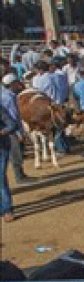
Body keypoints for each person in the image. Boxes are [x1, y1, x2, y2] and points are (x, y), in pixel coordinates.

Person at [0, 79, 18, 221]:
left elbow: (12, 124)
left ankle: (7, 209)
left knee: (0, 177)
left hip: (1, 147)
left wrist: (2, 132)